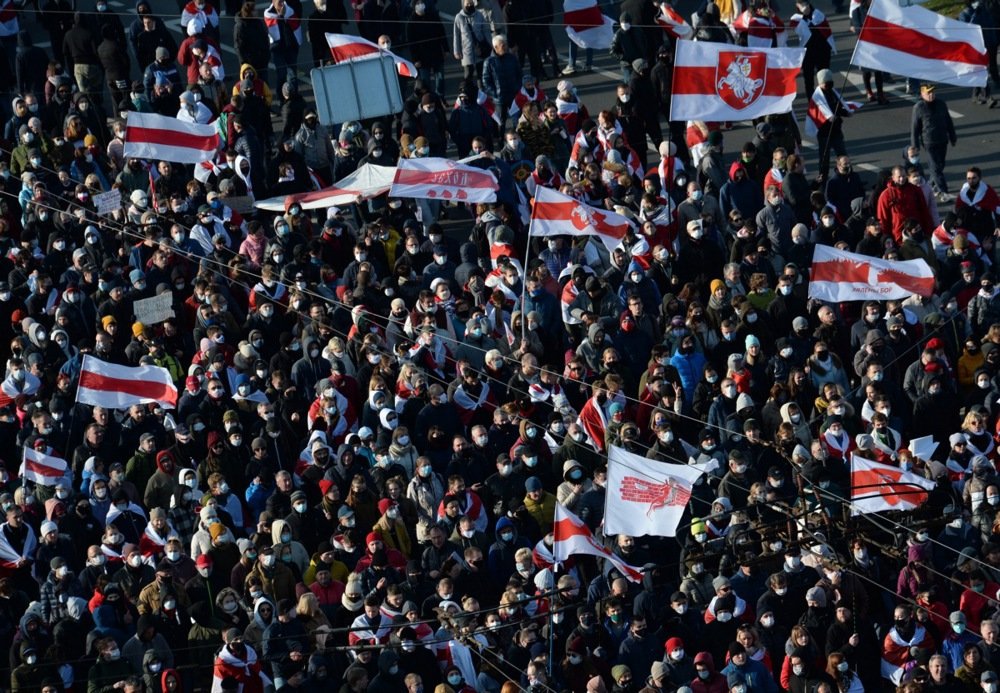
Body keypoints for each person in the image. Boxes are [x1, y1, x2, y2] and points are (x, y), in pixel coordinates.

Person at [911, 83, 958, 203]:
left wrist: (953, 136)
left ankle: (930, 185)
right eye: (928, 93)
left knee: (940, 165)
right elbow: (915, 128)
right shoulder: (919, 107)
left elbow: (948, 121)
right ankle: (944, 191)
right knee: (936, 168)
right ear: (922, 94)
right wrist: (915, 146)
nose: (931, 95)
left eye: (932, 92)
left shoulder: (941, 104)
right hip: (929, 142)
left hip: (942, 140)